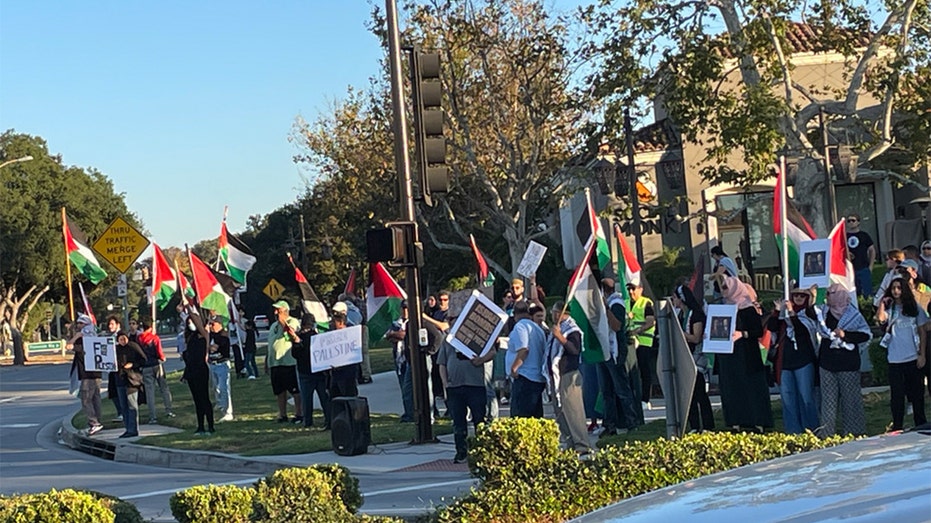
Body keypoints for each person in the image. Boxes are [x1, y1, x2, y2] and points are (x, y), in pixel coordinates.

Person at [716, 275, 773, 431]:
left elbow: (758, 331)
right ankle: (736, 421)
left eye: (726, 287)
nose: (723, 291)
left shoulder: (748, 309)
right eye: (723, 287)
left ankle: (757, 421)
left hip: (747, 355)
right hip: (729, 356)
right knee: (733, 387)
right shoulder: (722, 308)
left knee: (750, 387)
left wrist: (743, 334)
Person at [818, 283, 871, 436]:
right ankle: (826, 433)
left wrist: (845, 335)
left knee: (851, 400)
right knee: (828, 401)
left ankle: (854, 432)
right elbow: (813, 317)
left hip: (848, 364)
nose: (827, 296)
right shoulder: (823, 312)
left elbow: (865, 335)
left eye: (831, 293)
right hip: (827, 363)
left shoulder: (853, 314)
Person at [876, 276, 928, 431]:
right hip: (895, 360)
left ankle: (921, 423)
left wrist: (922, 354)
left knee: (917, 394)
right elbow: (880, 319)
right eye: (893, 288)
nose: (896, 291)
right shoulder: (890, 308)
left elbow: (922, 332)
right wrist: (882, 304)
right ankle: (897, 425)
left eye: (899, 288)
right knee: (897, 396)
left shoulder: (914, 308)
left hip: (913, 357)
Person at [438, 328, 496, 463]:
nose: (452, 322)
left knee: (479, 420)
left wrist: (481, 359)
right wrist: (445, 384)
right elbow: (442, 364)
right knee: (458, 422)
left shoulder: (477, 336)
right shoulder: (448, 340)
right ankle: (461, 452)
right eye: (451, 319)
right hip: (454, 387)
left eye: (455, 318)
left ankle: (481, 452)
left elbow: (492, 351)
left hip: (475, 385)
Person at [767, 287, 820, 434]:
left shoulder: (809, 314)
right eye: (795, 295)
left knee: (806, 397)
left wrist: (792, 314)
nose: (798, 298)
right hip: (784, 363)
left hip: (803, 362)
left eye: (802, 296)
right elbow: (772, 328)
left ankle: (811, 430)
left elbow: (801, 330)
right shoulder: (783, 316)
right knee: (788, 399)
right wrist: (778, 311)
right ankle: (793, 432)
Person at [546, 301, 593, 454]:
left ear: (560, 312)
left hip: (569, 375)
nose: (552, 315)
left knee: (573, 411)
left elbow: (575, 350)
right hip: (556, 376)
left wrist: (561, 338)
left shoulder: (572, 330)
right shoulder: (557, 328)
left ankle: (582, 444)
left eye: (553, 311)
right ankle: (570, 441)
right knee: (560, 412)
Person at [598, 277, 642, 436]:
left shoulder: (616, 303)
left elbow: (616, 326)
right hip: (603, 351)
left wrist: (606, 308)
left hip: (615, 350)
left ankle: (632, 422)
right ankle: (610, 425)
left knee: (621, 388)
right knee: (606, 391)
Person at [671, 285, 714, 433]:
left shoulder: (695, 314)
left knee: (701, 394)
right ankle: (694, 426)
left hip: (696, 358)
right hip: (684, 358)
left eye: (675, 297)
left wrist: (681, 334)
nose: (673, 300)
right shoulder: (680, 315)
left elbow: (696, 337)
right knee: (690, 396)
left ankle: (708, 425)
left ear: (682, 299)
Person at [506, 300, 547, 418]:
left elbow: (524, 349)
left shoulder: (520, 327)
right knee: (535, 417)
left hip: (525, 376)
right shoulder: (538, 329)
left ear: (514, 314)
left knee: (520, 417)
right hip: (537, 377)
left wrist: (514, 368)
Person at [292, 313, 331, 429]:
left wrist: (297, 343)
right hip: (318, 372)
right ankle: (328, 419)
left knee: (307, 399)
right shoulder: (318, 337)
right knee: (324, 398)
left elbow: (295, 354)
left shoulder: (299, 338)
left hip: (305, 372)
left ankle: (308, 421)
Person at [267, 301, 303, 423]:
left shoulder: (293, 321)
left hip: (288, 361)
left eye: (279, 310)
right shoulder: (273, 326)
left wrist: (283, 320)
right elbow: (271, 343)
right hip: (275, 363)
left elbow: (290, 334)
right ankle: (282, 414)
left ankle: (299, 413)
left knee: (294, 390)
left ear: (285, 311)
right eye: (275, 310)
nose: (276, 313)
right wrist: (268, 360)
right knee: (279, 390)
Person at [66, 314, 103, 435]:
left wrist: (76, 336)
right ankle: (98, 421)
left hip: (89, 374)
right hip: (95, 373)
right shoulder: (93, 337)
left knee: (86, 398)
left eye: (81, 324)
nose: (78, 326)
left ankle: (94, 422)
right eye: (78, 323)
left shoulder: (85, 340)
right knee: (95, 398)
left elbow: (70, 346)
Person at [181, 316, 214, 435]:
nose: (191, 324)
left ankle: (210, 425)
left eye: (192, 322)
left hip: (201, 370)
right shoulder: (189, 338)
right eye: (189, 322)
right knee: (197, 400)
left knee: (204, 397)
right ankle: (200, 426)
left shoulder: (203, 335)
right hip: (191, 371)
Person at [627, 281, 656, 410]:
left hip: (644, 342)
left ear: (640, 289)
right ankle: (634, 398)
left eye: (633, 289)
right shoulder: (626, 303)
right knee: (632, 372)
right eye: (629, 289)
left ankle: (645, 399)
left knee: (645, 371)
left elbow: (650, 322)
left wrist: (636, 331)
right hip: (630, 342)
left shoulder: (646, 303)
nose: (631, 292)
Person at [138, 321, 174, 424]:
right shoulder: (154, 338)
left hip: (145, 366)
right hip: (156, 364)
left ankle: (152, 416)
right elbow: (159, 352)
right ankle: (168, 410)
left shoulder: (139, 338)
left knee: (150, 392)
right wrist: (162, 358)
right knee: (164, 388)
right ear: (150, 327)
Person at [115, 331, 146, 438]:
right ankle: (128, 428)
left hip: (132, 380)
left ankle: (133, 429)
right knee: (123, 406)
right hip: (120, 379)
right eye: (120, 339)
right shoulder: (116, 349)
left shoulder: (133, 346)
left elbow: (144, 360)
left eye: (124, 338)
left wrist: (133, 364)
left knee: (132, 405)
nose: (122, 341)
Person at [386, 301, 413, 422]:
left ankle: (412, 414)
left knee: (411, 388)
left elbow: (405, 335)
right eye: (403, 308)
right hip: (399, 358)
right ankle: (408, 411)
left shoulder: (413, 322)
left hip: (410, 358)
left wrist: (396, 334)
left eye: (407, 308)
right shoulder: (396, 322)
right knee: (404, 387)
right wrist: (395, 334)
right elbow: (388, 336)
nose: (405, 311)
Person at [328, 302, 359, 399]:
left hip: (348, 373)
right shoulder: (330, 333)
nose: (333, 323)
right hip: (335, 373)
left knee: (349, 397)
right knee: (335, 398)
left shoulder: (351, 331)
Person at [208, 318, 233, 422]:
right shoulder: (210, 336)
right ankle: (220, 404)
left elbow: (213, 348)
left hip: (222, 364)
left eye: (213, 324)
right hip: (212, 364)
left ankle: (228, 412)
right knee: (215, 388)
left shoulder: (223, 338)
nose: (211, 326)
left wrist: (209, 346)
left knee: (224, 388)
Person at [845, 213, 876, 297]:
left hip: (863, 268)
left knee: (867, 294)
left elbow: (872, 250)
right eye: (849, 221)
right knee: (852, 294)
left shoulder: (864, 235)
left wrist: (871, 266)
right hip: (849, 269)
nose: (851, 222)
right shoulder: (844, 237)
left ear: (858, 222)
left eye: (853, 220)